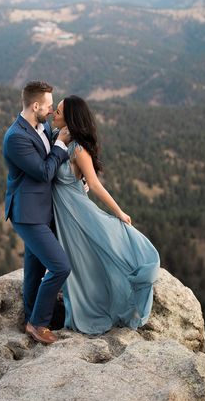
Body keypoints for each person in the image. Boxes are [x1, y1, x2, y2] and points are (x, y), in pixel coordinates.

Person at [51, 95, 160, 334]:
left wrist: (119, 212)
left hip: (79, 214)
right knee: (78, 264)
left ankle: (104, 304)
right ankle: (77, 306)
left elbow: (95, 184)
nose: (53, 114)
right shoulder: (58, 140)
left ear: (69, 118)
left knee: (91, 258)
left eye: (58, 112)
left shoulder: (78, 149)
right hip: (65, 216)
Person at [3, 81, 72, 344]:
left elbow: (50, 151)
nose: (52, 111)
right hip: (27, 214)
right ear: (35, 106)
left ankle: (31, 318)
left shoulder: (41, 126)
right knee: (60, 266)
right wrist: (61, 146)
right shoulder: (16, 137)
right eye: (49, 106)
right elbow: (43, 172)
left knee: (34, 269)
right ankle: (38, 323)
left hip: (42, 211)